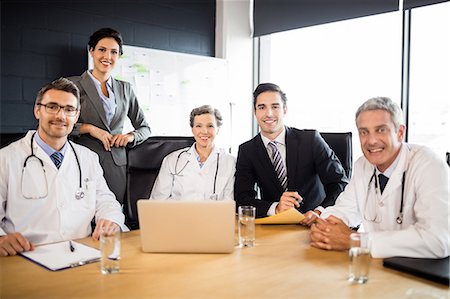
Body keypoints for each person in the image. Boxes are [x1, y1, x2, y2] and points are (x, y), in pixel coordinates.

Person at [0, 78, 127, 257]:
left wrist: (110, 219)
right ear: (37, 110)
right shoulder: (5, 158)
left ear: (76, 116)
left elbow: (106, 200)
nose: (60, 116)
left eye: (69, 110)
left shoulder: (88, 158)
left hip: (82, 253)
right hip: (27, 255)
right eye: (52, 107)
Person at [310, 97, 449, 258]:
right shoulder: (363, 165)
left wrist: (356, 240)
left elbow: (438, 240)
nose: (371, 140)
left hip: (420, 275)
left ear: (400, 132)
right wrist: (324, 227)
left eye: (381, 130)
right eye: (364, 132)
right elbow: (343, 210)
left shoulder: (429, 165)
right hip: (377, 268)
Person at [234, 83, 348, 224]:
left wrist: (319, 211)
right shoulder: (247, 151)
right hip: (275, 227)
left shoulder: (310, 140)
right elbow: (242, 199)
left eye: (275, 107)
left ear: (285, 110)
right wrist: (275, 208)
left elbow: (340, 183)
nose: (268, 113)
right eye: (262, 107)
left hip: (316, 224)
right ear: (255, 112)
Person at [68, 28, 151, 205]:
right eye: (102, 50)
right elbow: (58, 124)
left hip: (116, 167)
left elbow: (145, 128)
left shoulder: (125, 89)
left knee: (112, 217)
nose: (108, 56)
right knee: (82, 215)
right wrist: (88, 128)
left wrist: (130, 137)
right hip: (82, 161)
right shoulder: (72, 85)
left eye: (114, 52)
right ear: (91, 51)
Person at [150, 105, 235, 201]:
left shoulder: (230, 162)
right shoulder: (172, 160)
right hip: (178, 215)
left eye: (210, 126)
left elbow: (229, 202)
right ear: (192, 129)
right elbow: (157, 201)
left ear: (218, 129)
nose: (204, 131)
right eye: (198, 126)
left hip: (213, 215)